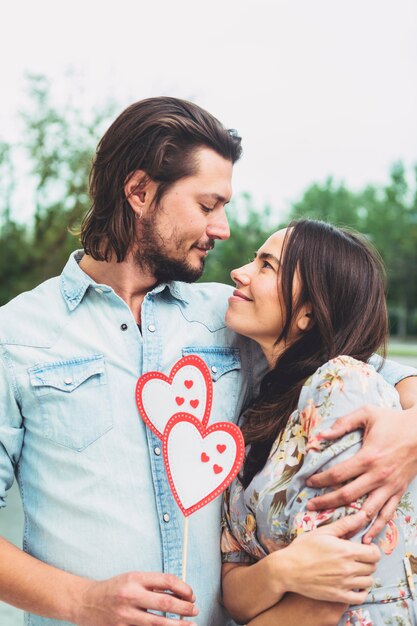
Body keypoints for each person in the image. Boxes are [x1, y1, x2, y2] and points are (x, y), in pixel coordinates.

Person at [0, 97, 416, 626]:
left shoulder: (232, 315)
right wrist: (80, 600)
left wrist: (411, 432)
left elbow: (370, 367)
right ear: (140, 192)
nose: (221, 229)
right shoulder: (16, 337)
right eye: (207, 205)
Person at [221, 220, 417, 625]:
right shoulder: (253, 415)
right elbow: (233, 593)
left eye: (265, 266)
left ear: (308, 313)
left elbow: (328, 599)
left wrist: (268, 581)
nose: (238, 272)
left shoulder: (342, 385)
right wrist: (282, 571)